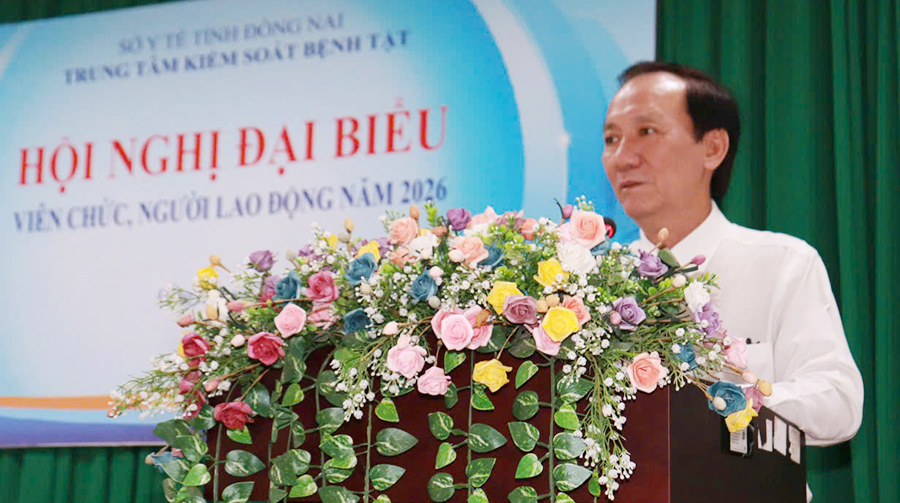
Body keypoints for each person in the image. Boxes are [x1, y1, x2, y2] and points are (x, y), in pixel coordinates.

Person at [601, 61, 864, 501]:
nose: (624, 157)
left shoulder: (783, 263)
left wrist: (727, 401)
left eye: (647, 131)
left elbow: (838, 402)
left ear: (713, 148)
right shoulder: (594, 282)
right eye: (611, 139)